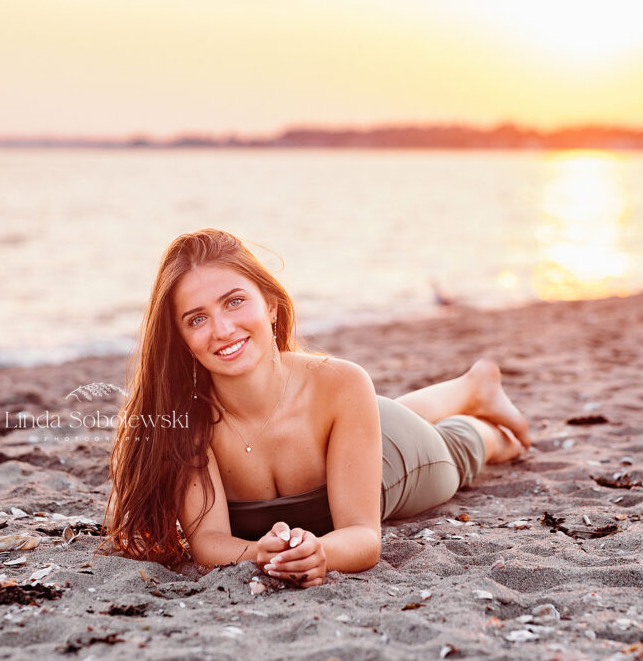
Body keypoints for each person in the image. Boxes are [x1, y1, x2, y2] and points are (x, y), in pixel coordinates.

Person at [104, 228, 530, 587]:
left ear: (270, 305)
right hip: (350, 421)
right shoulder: (185, 420)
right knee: (384, 410)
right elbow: (208, 542)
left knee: (455, 447)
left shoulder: (341, 382)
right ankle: (470, 387)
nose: (222, 329)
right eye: (197, 319)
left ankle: (482, 406)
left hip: (393, 457)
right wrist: (259, 554)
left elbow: (364, 537)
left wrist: (320, 552)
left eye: (235, 301)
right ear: (180, 338)